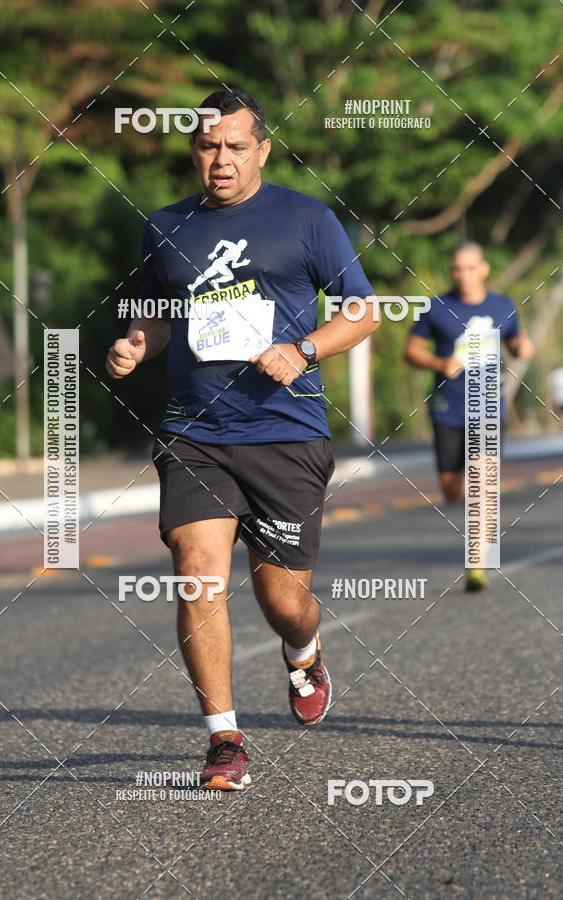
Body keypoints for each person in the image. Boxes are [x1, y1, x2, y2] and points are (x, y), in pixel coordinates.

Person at [105, 88, 379, 790]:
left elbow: (363, 310)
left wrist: (306, 350)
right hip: (194, 431)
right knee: (198, 574)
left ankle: (305, 649)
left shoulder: (305, 218)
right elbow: (160, 314)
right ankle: (223, 737)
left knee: (283, 601)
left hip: (285, 431)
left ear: (261, 149)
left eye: (234, 146)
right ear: (192, 150)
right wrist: (139, 343)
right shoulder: (166, 226)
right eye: (206, 146)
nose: (219, 159)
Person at [404, 242, 534, 591]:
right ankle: (477, 528)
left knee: (483, 483)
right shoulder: (436, 308)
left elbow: (517, 340)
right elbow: (412, 351)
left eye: (469, 267)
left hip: (488, 407)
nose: (463, 274)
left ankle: (477, 563)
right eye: (457, 268)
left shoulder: (503, 306)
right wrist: (438, 363)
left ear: (484, 269)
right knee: (451, 490)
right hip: (448, 409)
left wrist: (523, 346)